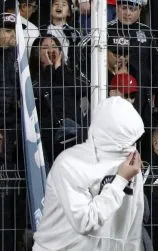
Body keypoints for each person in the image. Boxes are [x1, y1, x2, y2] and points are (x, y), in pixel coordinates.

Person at [32, 96, 146, 251]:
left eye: (133, 142)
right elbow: (85, 222)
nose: (131, 148)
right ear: (109, 135)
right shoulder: (70, 164)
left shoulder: (130, 162)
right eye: (126, 142)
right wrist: (120, 181)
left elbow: (133, 226)